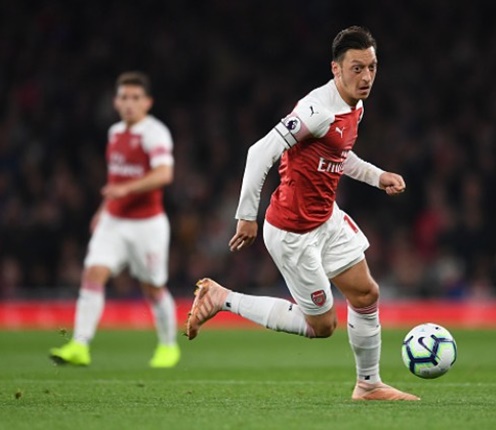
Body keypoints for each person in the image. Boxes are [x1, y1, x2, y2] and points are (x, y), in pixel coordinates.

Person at [186, 26, 418, 400]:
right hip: (292, 230)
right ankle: (221, 297)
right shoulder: (317, 110)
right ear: (336, 69)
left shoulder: (355, 106)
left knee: (365, 294)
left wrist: (377, 177)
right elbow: (259, 152)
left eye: (372, 67)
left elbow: (339, 155)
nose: (366, 77)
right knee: (322, 326)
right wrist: (246, 215)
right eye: (357, 68)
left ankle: (369, 385)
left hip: (325, 218)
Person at [50, 71, 180, 368]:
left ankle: (168, 346)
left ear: (147, 102)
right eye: (124, 97)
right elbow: (115, 179)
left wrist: (126, 189)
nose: (129, 103)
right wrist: (103, 209)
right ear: (115, 102)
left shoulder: (155, 133)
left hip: (147, 224)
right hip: (115, 221)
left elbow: (164, 174)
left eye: (135, 98)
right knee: (93, 273)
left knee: (153, 288)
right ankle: (80, 345)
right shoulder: (115, 133)